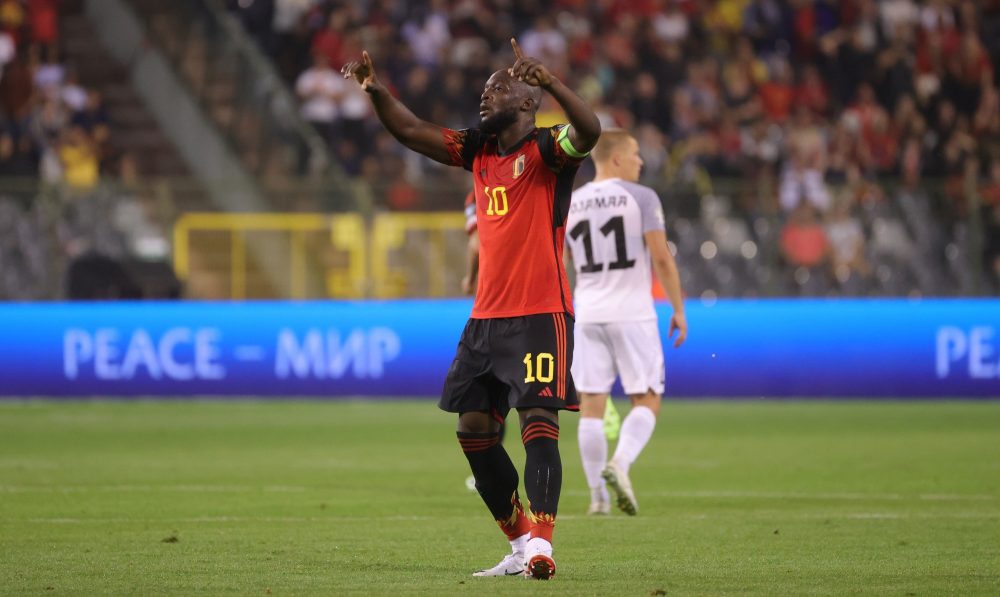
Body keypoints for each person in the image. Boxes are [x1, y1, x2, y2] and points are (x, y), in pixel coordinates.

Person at [342, 39, 600, 580]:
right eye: (483, 90)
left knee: (538, 424)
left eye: (499, 88)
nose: (486, 96)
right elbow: (411, 131)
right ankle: (519, 542)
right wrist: (375, 89)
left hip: (540, 312)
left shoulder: (548, 151)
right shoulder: (478, 151)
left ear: (527, 102)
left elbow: (590, 130)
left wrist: (552, 82)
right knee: (473, 430)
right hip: (485, 319)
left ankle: (544, 545)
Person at [564, 129, 687, 516]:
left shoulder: (572, 201)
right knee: (647, 398)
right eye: (635, 154)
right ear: (615, 159)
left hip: (588, 311)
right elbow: (662, 258)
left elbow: (566, 263)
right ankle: (620, 463)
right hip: (632, 312)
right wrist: (679, 309)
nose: (641, 161)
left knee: (591, 405)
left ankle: (597, 497)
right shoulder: (642, 198)